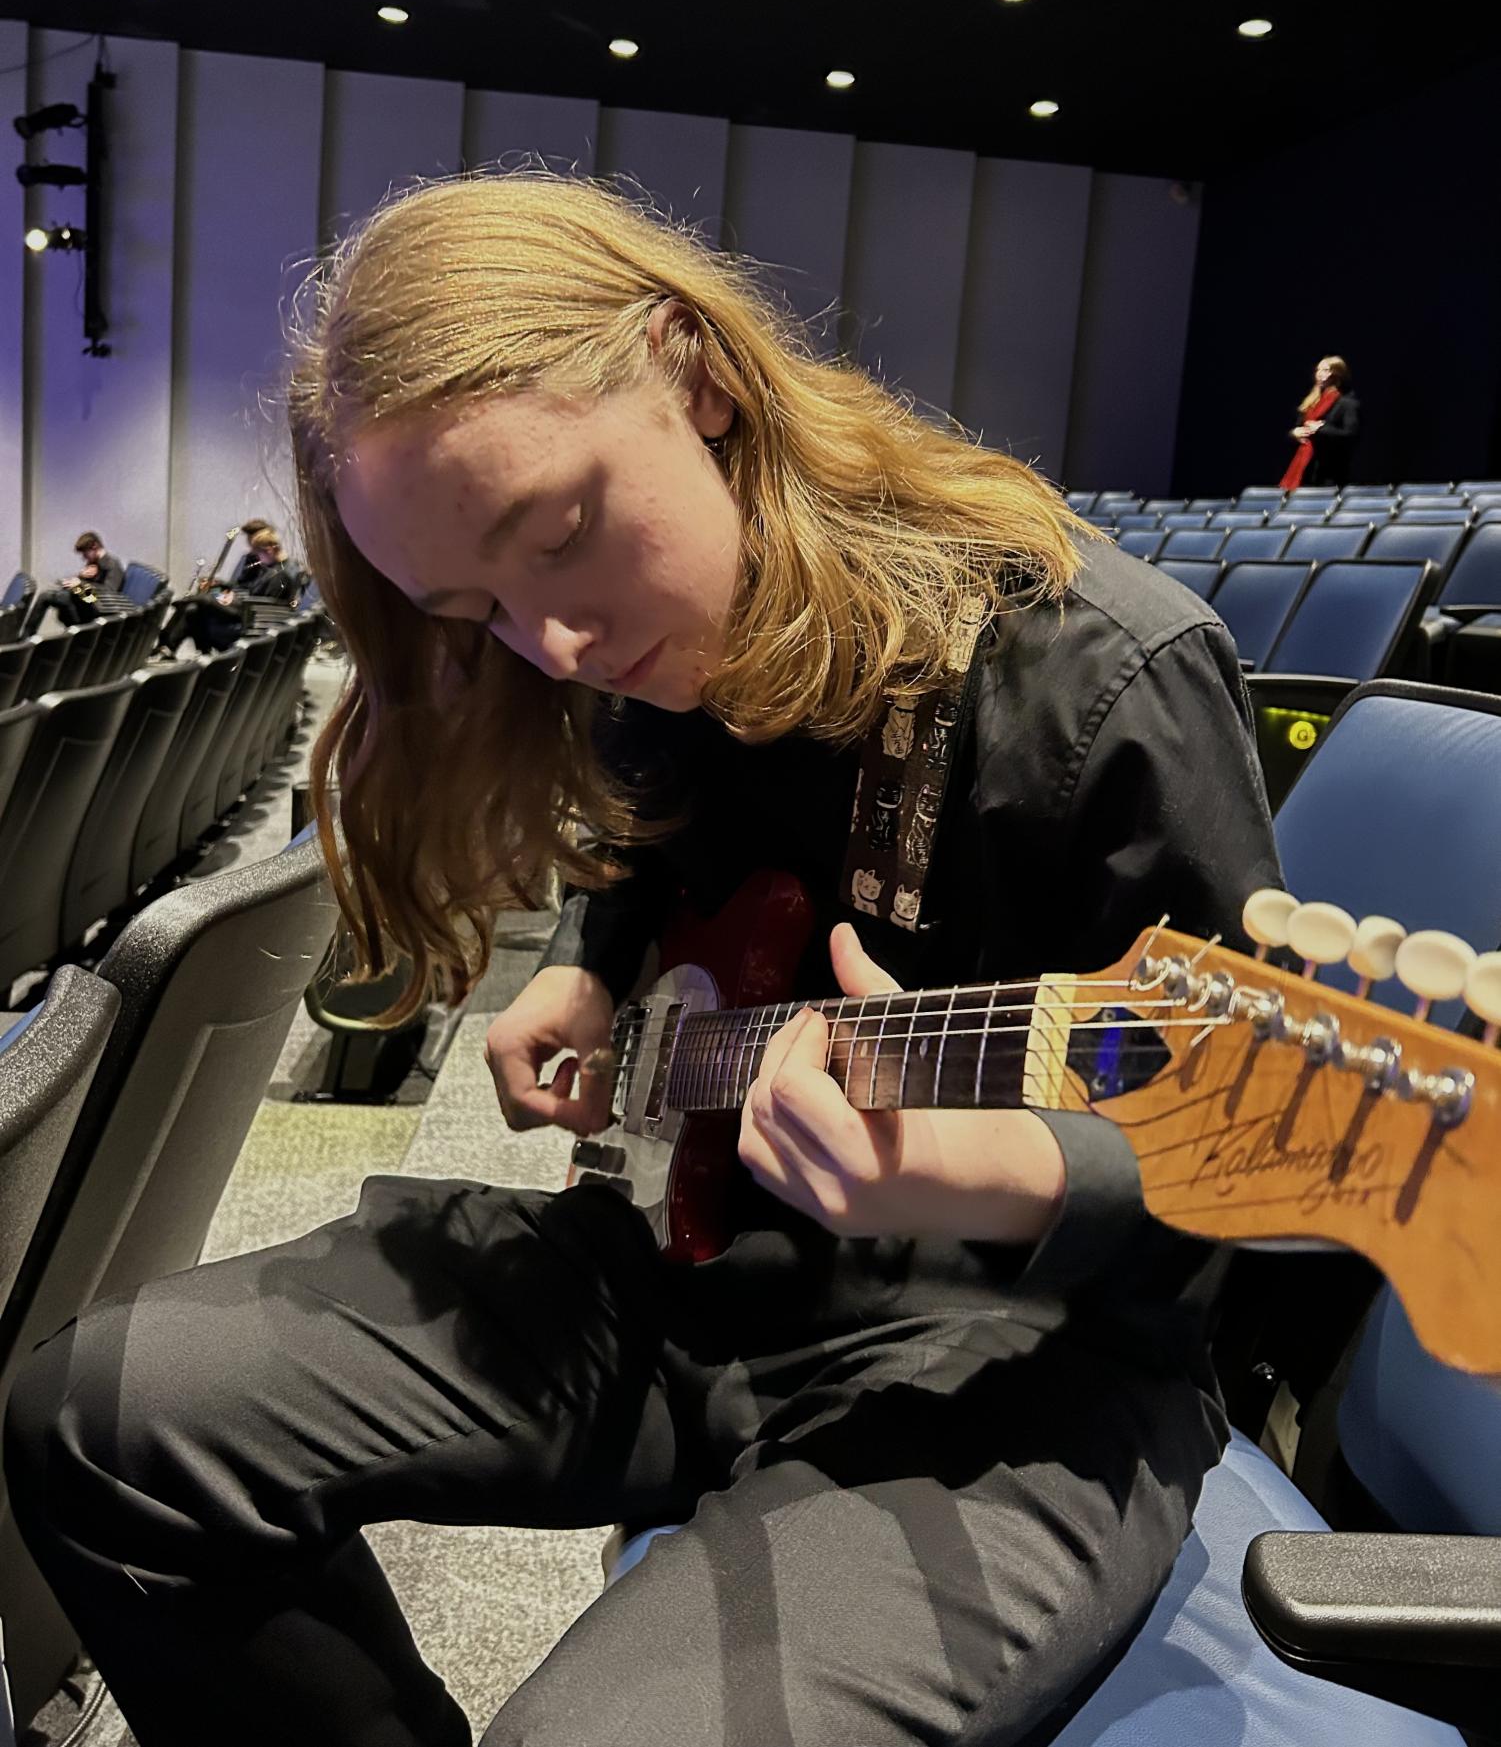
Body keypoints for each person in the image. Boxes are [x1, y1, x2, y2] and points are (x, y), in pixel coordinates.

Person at [6, 173, 1283, 1747]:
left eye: (559, 537)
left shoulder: (1108, 674)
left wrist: (995, 1170)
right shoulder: (631, 648)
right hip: (688, 1276)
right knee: (102, 1420)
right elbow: (664, 856)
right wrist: (595, 963)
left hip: (1016, 1373)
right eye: (475, 609)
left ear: (696, 373)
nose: (555, 644)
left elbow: (1263, 1170)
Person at [155, 527, 299, 655]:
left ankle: (179, 612)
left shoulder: (281, 575)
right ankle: (167, 645)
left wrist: (225, 595)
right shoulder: (272, 568)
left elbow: (264, 606)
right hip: (244, 608)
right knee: (194, 608)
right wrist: (219, 587)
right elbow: (246, 588)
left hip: (250, 618)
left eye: (258, 553)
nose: (257, 558)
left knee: (203, 601)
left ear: (270, 549)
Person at [19, 529, 125, 635]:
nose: (84, 558)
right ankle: (27, 636)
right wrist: (79, 578)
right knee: (49, 595)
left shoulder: (112, 564)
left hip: (96, 609)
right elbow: (87, 590)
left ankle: (25, 637)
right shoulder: (94, 563)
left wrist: (80, 584)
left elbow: (109, 593)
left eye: (85, 553)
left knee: (45, 597)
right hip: (84, 603)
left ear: (94, 546)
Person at [1278, 354, 1360, 489]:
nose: (1320, 374)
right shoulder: (1311, 402)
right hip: (1306, 468)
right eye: (1318, 370)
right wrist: (1295, 433)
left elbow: (1351, 435)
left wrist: (1320, 430)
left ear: (1337, 374)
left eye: (1326, 370)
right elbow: (1299, 428)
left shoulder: (1348, 403)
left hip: (1329, 472)